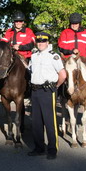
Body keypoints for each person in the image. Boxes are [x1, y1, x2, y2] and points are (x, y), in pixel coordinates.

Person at [28, 32, 66, 160]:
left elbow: (63, 74)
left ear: (47, 43)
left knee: (50, 122)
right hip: (35, 91)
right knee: (36, 122)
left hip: (47, 91)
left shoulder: (53, 56)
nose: (41, 43)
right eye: (38, 41)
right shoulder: (34, 56)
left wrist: (56, 86)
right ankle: (39, 148)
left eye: (43, 41)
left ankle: (52, 149)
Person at [0, 11, 36, 93]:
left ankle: (31, 86)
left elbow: (31, 44)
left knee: (30, 70)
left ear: (23, 22)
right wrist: (2, 44)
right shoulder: (9, 31)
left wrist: (20, 47)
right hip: (11, 55)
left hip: (24, 56)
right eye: (16, 21)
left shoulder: (28, 31)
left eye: (20, 21)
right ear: (14, 22)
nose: (18, 23)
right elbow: (4, 41)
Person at [58, 12, 86, 98]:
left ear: (80, 23)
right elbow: (61, 47)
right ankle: (59, 93)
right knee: (60, 74)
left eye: (76, 23)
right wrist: (71, 50)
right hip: (68, 59)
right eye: (72, 23)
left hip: (83, 59)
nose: (74, 25)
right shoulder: (65, 33)